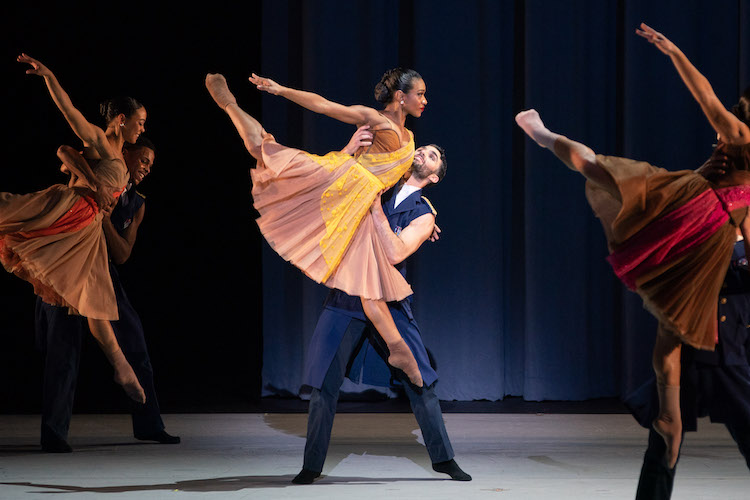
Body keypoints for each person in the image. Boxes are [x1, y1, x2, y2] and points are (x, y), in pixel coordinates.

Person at [515, 23, 750, 469]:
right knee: (601, 170)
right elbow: (706, 98)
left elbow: (744, 213)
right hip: (691, 211)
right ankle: (544, 135)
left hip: (703, 234)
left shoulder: (739, 152)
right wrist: (675, 51)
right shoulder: (741, 138)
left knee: (672, 325)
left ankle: (669, 417)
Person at [205, 68, 429, 387]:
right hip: (342, 186)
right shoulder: (378, 120)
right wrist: (281, 89)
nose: (424, 100)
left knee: (369, 281)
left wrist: (421, 216)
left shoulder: (410, 140)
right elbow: (324, 105)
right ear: (400, 96)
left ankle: (397, 350)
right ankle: (229, 103)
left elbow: (401, 180)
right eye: (420, 94)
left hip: (364, 204)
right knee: (266, 152)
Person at [292, 132, 470, 484]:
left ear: (433, 178)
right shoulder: (382, 183)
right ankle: (311, 465)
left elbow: (393, 252)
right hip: (346, 297)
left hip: (389, 302)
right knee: (323, 384)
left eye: (432, 156)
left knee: (420, 380)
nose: (422, 152)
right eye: (423, 148)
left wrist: (373, 207)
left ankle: (444, 459)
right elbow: (342, 182)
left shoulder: (423, 215)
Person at [1, 54, 146, 403]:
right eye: (140, 123)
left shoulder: (125, 165)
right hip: (70, 207)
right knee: (7, 209)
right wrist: (49, 75)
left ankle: (121, 366)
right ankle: (122, 366)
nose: (143, 129)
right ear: (121, 120)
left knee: (93, 299)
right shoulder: (99, 140)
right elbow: (68, 113)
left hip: (88, 231)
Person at [35, 136, 180, 453]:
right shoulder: (103, 168)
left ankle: (149, 425)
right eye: (143, 160)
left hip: (102, 269)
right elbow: (64, 152)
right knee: (62, 347)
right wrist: (92, 185)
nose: (146, 168)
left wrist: (102, 220)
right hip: (67, 263)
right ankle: (54, 433)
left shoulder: (137, 203)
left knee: (134, 341)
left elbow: (123, 254)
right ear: (125, 154)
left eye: (151, 165)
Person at [627, 222, 750, 499]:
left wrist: (745, 225)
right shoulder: (692, 237)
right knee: (663, 449)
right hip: (686, 356)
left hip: (732, 358)